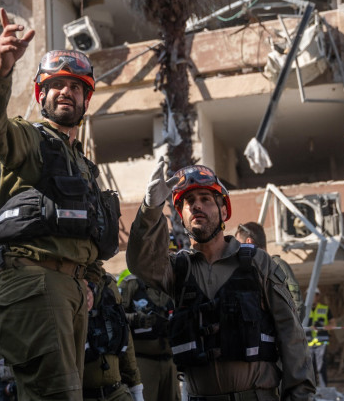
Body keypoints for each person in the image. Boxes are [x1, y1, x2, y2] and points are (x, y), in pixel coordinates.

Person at [0, 8, 119, 400]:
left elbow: (87, 236)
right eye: (57, 86)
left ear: (86, 100)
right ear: (41, 96)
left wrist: (89, 280)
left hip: (71, 292)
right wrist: (2, 69)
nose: (66, 92)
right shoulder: (30, 140)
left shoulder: (83, 166)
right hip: (37, 285)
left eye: (76, 87)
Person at [127, 160, 316, 400]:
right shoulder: (178, 270)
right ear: (181, 216)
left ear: (224, 211)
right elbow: (141, 263)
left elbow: (291, 334)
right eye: (189, 201)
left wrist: (300, 395)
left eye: (205, 199)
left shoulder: (258, 264)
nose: (196, 205)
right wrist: (150, 209)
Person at [118, 269, 180, 401]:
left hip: (171, 362)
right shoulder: (131, 283)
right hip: (143, 361)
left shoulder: (173, 281)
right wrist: (135, 319)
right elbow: (115, 315)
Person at [82, 273, 143, 401]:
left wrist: (136, 385)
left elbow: (124, 335)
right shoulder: (66, 284)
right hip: (83, 393)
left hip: (116, 391)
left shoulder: (108, 283)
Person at [234, 222, 305, 321]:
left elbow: (297, 302)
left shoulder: (276, 266)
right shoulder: (247, 271)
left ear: (248, 242)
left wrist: (289, 328)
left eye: (238, 245)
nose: (237, 250)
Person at [307, 290, 335, 388]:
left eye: (313, 295)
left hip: (321, 342)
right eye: (309, 295)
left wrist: (323, 327)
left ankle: (323, 389)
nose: (311, 297)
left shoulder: (325, 309)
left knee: (321, 367)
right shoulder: (303, 310)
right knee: (309, 368)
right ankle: (311, 389)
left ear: (318, 296)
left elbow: (333, 324)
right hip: (308, 342)